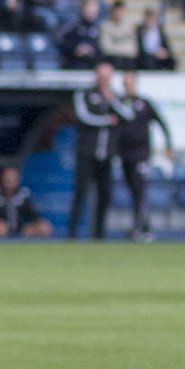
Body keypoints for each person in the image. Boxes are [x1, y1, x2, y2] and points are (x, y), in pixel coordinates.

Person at [114, 71, 171, 243]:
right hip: (125, 155)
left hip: (141, 155)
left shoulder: (144, 104)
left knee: (140, 190)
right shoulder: (119, 103)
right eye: (126, 83)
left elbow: (161, 122)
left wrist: (169, 145)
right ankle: (145, 227)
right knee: (132, 190)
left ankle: (138, 227)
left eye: (131, 83)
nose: (128, 86)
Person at [67, 61, 120, 240]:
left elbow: (128, 115)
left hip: (106, 155)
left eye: (107, 77)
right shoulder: (84, 94)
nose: (104, 80)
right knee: (80, 194)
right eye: (101, 76)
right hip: (86, 154)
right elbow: (84, 117)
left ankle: (99, 236)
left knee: (104, 196)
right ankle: (72, 235)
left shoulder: (114, 97)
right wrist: (107, 119)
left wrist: (111, 99)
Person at [0, 166, 50, 237]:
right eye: (7, 177)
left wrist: (37, 223)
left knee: (44, 227)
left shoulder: (22, 194)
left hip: (19, 230)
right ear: (1, 178)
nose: (9, 181)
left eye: (12, 178)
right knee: (0, 228)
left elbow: (33, 215)